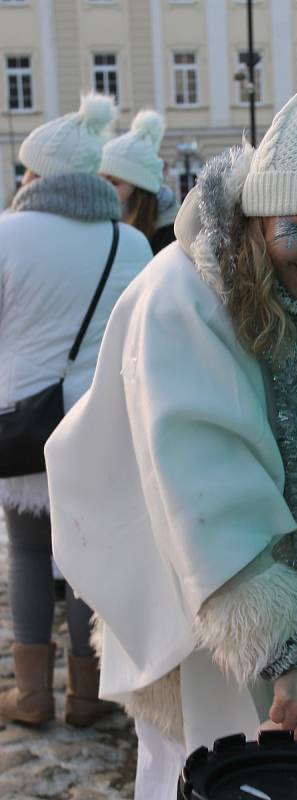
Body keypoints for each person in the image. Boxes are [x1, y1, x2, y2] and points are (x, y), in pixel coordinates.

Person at [45, 32, 297, 798]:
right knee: (221, 757)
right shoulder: (184, 295)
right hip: (208, 595)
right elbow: (198, 476)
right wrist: (284, 647)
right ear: (262, 217)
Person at [0, 93, 153, 728]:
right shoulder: (132, 244)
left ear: (37, 174)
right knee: (90, 557)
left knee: (29, 554)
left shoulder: (7, 235)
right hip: (96, 426)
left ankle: (31, 694)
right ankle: (89, 695)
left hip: (20, 422)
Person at [99, 109, 179, 254]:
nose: (103, 188)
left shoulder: (171, 237)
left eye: (114, 183)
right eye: (100, 179)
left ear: (140, 190)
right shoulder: (105, 226)